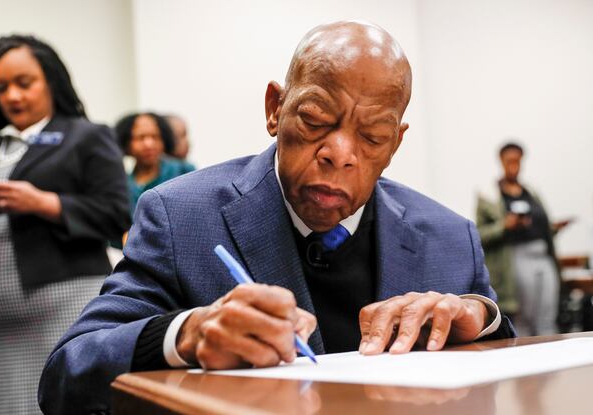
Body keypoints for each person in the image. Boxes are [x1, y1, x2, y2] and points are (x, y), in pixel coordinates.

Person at [39, 21, 514, 414]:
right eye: (315, 119)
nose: (339, 154)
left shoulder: (448, 236)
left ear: (395, 143)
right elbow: (68, 374)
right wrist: (186, 335)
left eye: (371, 136)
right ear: (275, 108)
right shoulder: (181, 216)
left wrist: (481, 315)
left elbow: (502, 366)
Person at [0, 35, 131, 413]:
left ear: (51, 81)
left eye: (25, 83)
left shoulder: (86, 137)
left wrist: (45, 202)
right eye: (2, 88)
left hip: (61, 306)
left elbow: (118, 215)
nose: (13, 97)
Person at [476, 142, 569, 336]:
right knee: (524, 317)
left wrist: (553, 228)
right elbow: (480, 234)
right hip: (516, 258)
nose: (514, 166)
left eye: (518, 161)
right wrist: (505, 226)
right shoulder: (490, 196)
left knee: (548, 314)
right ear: (501, 161)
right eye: (510, 161)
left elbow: (542, 224)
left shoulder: (531, 192)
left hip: (543, 256)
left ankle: (553, 358)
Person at [115, 112, 195, 216]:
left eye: (155, 137)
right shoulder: (122, 184)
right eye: (140, 137)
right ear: (126, 143)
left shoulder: (183, 171)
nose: (149, 144)